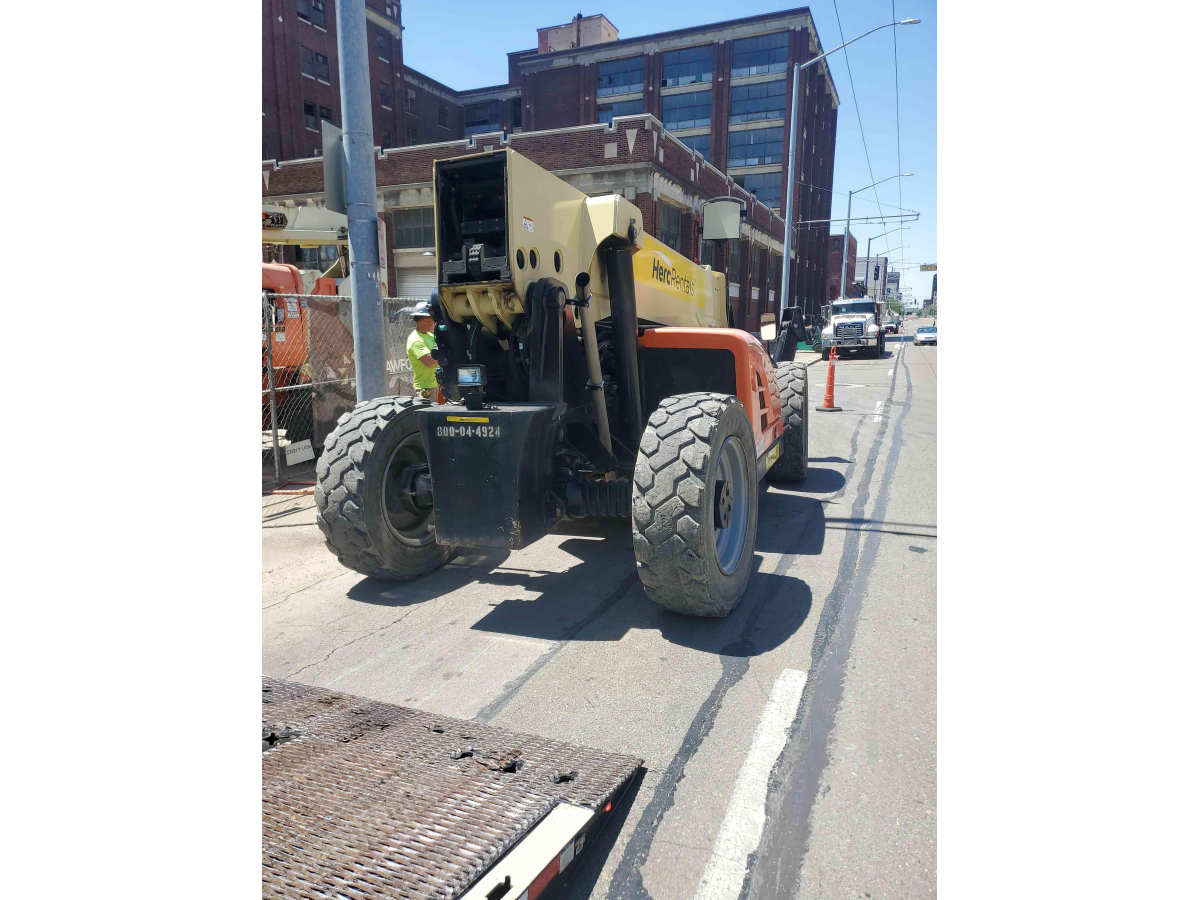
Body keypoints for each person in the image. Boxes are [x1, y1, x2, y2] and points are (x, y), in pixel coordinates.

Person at [404, 301, 440, 399]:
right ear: (425, 320)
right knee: (429, 413)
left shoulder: (430, 336)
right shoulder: (416, 340)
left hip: (436, 384)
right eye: (433, 319)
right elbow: (430, 362)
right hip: (426, 388)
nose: (435, 322)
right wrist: (446, 354)